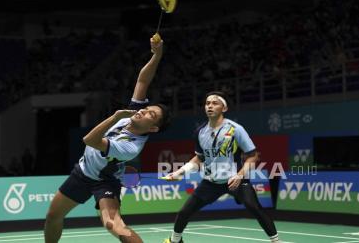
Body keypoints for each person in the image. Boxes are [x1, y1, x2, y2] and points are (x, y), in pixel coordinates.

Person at [45, 35, 171, 243]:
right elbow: (142, 80)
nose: (144, 111)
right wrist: (157, 55)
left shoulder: (131, 147)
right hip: (83, 172)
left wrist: (115, 117)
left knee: (114, 225)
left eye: (151, 115)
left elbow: (90, 140)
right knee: (52, 217)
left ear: (154, 128)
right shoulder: (133, 112)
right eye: (146, 109)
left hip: (105, 181)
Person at [163, 91, 280, 243]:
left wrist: (240, 175)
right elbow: (199, 157)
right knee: (184, 212)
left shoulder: (235, 129)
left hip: (235, 180)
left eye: (214, 103)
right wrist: (180, 172)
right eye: (207, 103)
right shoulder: (200, 132)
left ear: (224, 108)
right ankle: (175, 241)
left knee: (254, 207)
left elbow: (252, 155)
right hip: (211, 182)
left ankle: (276, 241)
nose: (210, 106)